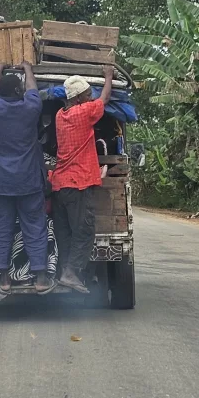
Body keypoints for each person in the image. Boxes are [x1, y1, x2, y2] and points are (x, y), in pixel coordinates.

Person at [0, 62, 55, 295]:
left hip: (0, 183)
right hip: (28, 182)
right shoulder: (30, 109)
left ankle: (3, 278)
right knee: (35, 227)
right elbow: (32, 90)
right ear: (18, 91)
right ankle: (41, 277)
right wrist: (28, 70)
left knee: (2, 229)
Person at [51, 65, 114, 293]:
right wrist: (107, 77)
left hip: (60, 185)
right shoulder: (84, 113)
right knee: (85, 231)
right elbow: (104, 99)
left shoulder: (60, 115)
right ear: (78, 99)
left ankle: (64, 274)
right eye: (87, 96)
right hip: (78, 184)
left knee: (66, 233)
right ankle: (71, 273)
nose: (91, 98)